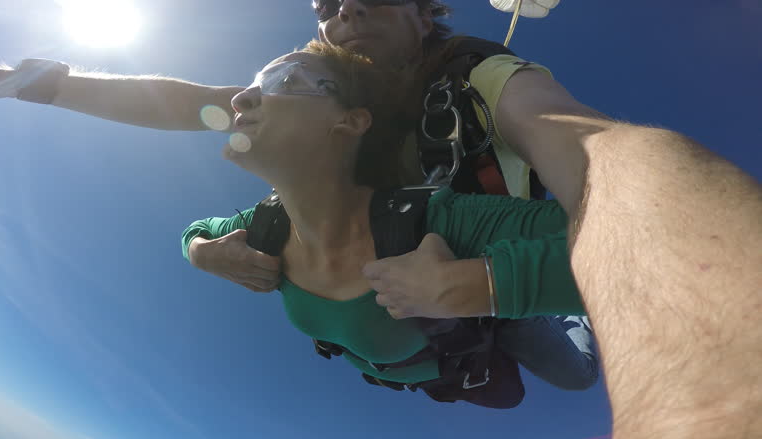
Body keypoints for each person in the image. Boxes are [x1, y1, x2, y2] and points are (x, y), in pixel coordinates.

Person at [0, 1, 759, 439]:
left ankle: (553, 318)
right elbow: (174, 101)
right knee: (435, 356)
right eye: (325, 4)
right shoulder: (306, 93)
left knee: (568, 369)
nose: (342, 10)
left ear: (425, 12)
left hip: (488, 253)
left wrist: (714, 423)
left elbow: (594, 147)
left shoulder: (480, 72)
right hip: (398, 299)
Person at [182, 39, 588, 406]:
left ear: (350, 121)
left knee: (576, 376)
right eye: (255, 83)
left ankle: (567, 320)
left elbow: (622, 247)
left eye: (285, 80)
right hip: (425, 375)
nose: (241, 98)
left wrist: (484, 284)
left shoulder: (433, 225)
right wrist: (201, 253)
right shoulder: (264, 225)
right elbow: (195, 232)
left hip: (468, 344)